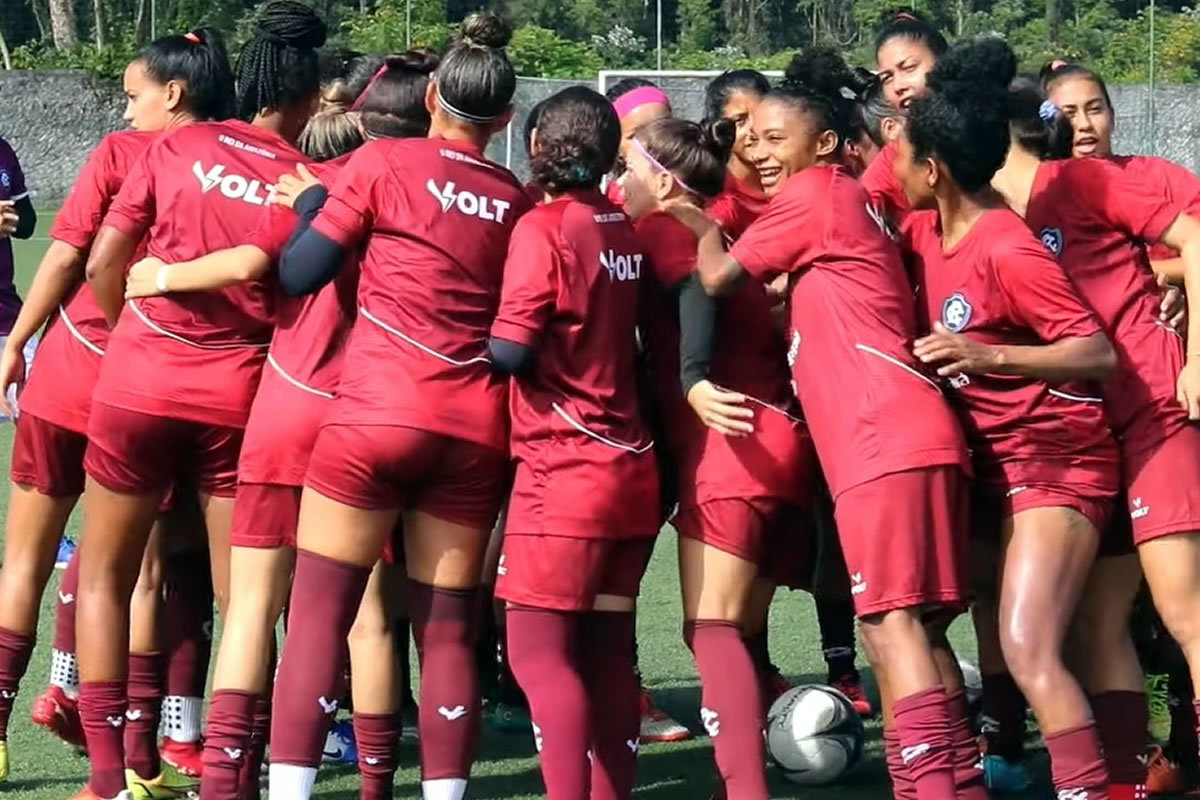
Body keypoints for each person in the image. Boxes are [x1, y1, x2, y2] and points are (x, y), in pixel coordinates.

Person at [664, 45, 980, 800]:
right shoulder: (848, 202)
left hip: (881, 440)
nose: (756, 150)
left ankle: (929, 789)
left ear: (825, 146)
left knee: (893, 627)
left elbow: (717, 276)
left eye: (775, 138)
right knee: (913, 630)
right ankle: (956, 783)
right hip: (913, 434)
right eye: (752, 139)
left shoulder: (813, 195)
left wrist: (689, 215)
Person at [268, 14, 531, 800]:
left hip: (374, 416)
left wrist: (315, 205)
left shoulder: (382, 161)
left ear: (433, 100)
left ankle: (289, 791)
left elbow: (301, 273)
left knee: (319, 612)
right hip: (473, 428)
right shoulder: (515, 198)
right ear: (506, 119)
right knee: (448, 626)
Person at [71, 5, 327, 799]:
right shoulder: (301, 178)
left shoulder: (174, 144)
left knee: (108, 577)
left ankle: (110, 777)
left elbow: (102, 264)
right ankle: (235, 777)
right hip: (238, 401)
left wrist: (134, 336)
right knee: (245, 603)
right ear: (311, 99)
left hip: (137, 385)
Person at [0, 30, 236, 787]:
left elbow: (71, 254)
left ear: (173, 91)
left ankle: (3, 731)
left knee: (27, 561)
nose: (125, 108)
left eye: (134, 94)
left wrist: (18, 339)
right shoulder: (231, 163)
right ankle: (136, 763)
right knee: (138, 576)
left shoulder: (119, 154)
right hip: (150, 392)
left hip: (70, 376)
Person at [898, 37, 1128, 800]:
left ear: (932, 168)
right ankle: (968, 772)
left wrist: (988, 357)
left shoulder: (1007, 245)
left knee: (1029, 647)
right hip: (987, 464)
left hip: (1055, 459)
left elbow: (1093, 352)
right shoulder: (924, 232)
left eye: (903, 149)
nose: (891, 160)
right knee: (916, 624)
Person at [992, 66, 1200, 800]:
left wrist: (1194, 351)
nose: (1082, 122)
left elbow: (1194, 240)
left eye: (1095, 108)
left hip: (1154, 413)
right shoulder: (1003, 207)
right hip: (1089, 437)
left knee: (1183, 611)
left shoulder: (1114, 182)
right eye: (1066, 110)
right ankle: (1129, 775)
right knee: (1098, 620)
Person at [620, 113, 814, 799]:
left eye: (630, 169)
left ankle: (743, 786)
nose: (620, 183)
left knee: (712, 627)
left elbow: (694, 289)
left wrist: (694, 376)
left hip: (736, 447)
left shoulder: (667, 231)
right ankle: (750, 764)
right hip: (769, 442)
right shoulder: (709, 232)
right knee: (729, 626)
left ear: (663, 182)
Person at [486, 85, 659, 800]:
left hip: (566, 465)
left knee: (536, 655)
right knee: (604, 653)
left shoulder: (545, 228)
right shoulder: (619, 224)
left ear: (534, 148)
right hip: (629, 464)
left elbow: (510, 348)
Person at [861, 9, 948, 233]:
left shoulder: (991, 132)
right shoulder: (893, 159)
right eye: (887, 78)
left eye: (908, 68)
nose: (898, 86)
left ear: (944, 63)